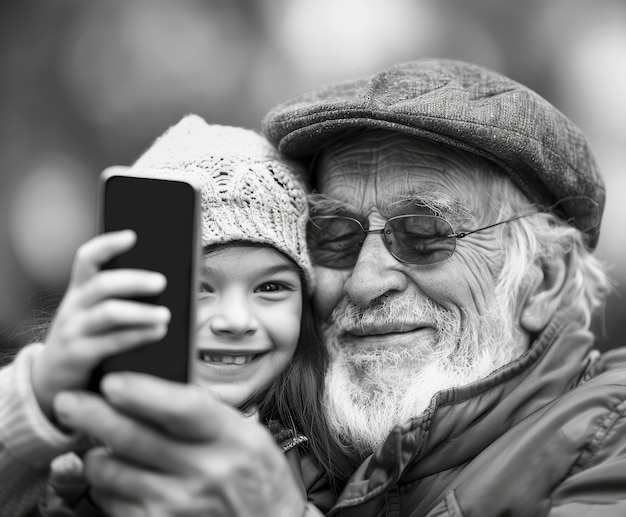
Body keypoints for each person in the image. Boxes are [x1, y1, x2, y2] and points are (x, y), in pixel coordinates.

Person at [27, 58, 626, 516]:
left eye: (423, 232)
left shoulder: (611, 438)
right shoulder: (284, 429)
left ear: (544, 280)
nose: (364, 283)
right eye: (335, 235)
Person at [0, 115, 342, 516]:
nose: (234, 320)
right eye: (199, 287)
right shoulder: (71, 431)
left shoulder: (330, 449)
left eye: (270, 288)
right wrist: (37, 397)